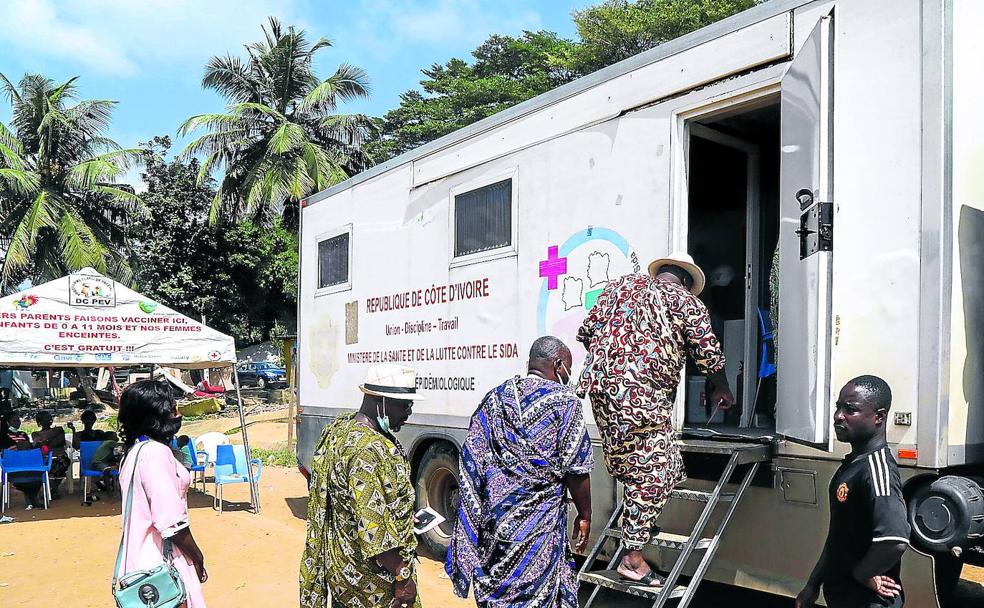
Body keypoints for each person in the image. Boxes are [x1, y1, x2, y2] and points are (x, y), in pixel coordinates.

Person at [576, 251, 734, 585]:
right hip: (642, 399)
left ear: (661, 271)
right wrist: (722, 389)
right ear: (687, 282)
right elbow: (708, 353)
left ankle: (642, 522)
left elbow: (587, 333)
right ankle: (632, 559)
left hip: (601, 391)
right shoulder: (685, 302)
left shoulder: (617, 287)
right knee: (652, 474)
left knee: (659, 465)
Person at [446, 336, 594, 607]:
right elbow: (577, 467)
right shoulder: (565, 402)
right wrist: (585, 514)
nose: (568, 376)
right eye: (568, 370)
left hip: (496, 528)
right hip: (538, 532)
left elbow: (473, 461)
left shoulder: (494, 398)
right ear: (558, 365)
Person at [300, 364, 424, 608]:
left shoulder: (340, 431)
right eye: (405, 404)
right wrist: (403, 576)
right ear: (380, 401)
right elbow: (373, 531)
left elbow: (352, 504)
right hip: (370, 583)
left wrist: (402, 518)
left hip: (342, 573)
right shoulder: (367, 450)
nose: (409, 412)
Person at [796, 376, 910, 608]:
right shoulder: (853, 464)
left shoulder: (878, 469)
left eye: (850, 409)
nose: (839, 415)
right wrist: (812, 585)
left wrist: (862, 574)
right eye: (838, 407)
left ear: (878, 417)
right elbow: (838, 536)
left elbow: (894, 539)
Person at [117, 380, 208, 607]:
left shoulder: (134, 453)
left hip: (137, 562)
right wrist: (198, 557)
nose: (177, 414)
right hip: (160, 566)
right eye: (172, 408)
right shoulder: (156, 453)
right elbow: (171, 522)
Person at [0, 410, 44, 509]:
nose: (18, 422)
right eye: (14, 421)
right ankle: (33, 499)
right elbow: (4, 452)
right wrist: (18, 447)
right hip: (13, 467)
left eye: (18, 420)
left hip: (28, 465)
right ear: (7, 422)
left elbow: (29, 449)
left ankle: (32, 499)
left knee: (37, 476)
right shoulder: (3, 436)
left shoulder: (23, 434)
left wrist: (34, 444)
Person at [31, 411, 70, 499]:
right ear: (39, 422)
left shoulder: (59, 429)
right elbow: (39, 442)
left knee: (64, 462)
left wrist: (46, 441)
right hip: (45, 458)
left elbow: (59, 442)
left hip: (59, 457)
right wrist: (52, 436)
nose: (49, 419)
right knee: (46, 467)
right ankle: (54, 489)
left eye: (50, 417)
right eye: (46, 418)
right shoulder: (35, 433)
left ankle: (52, 489)